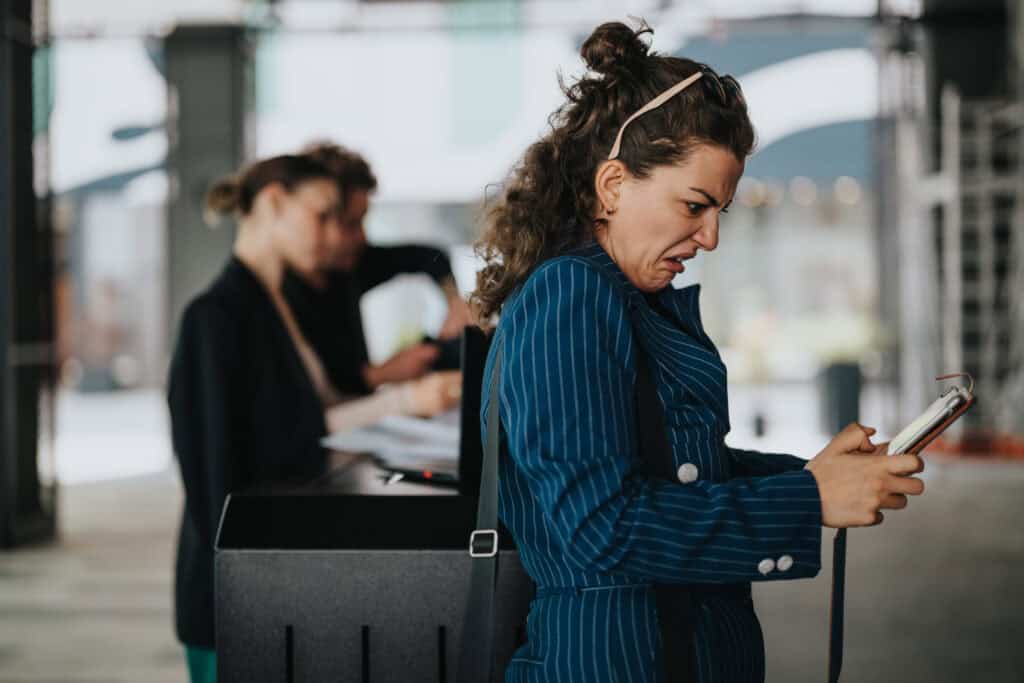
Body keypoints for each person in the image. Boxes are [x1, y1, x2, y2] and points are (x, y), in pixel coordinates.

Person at [471, 22, 925, 683]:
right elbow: (602, 526)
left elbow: (674, 463)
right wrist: (807, 501)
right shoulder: (569, 295)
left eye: (720, 212)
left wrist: (812, 475)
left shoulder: (624, 296)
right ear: (614, 185)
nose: (709, 236)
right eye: (694, 205)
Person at [168, 154, 459, 683]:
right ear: (275, 202)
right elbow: (216, 485)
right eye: (323, 216)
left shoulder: (279, 306)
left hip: (269, 582)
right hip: (231, 597)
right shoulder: (214, 317)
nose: (334, 235)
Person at [281, 141, 473, 396]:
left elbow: (430, 257)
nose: (362, 236)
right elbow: (309, 398)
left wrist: (455, 303)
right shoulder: (281, 294)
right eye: (350, 224)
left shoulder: (353, 264)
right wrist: (380, 374)